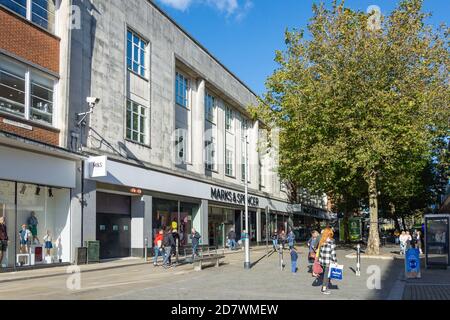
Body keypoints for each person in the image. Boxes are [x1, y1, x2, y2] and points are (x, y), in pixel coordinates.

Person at [316, 227, 337, 295]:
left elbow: (320, 253)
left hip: (323, 261)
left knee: (326, 274)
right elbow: (333, 254)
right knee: (327, 275)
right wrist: (335, 262)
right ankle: (324, 288)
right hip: (328, 261)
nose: (331, 235)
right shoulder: (331, 242)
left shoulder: (322, 241)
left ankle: (325, 287)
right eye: (331, 233)